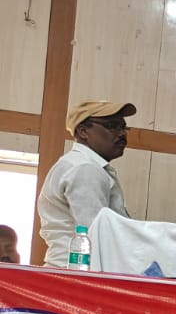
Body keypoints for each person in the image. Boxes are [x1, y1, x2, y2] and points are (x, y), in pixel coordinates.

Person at [36, 100, 136, 267]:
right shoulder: (85, 169)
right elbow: (97, 234)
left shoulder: (78, 164)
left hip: (71, 270)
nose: (122, 133)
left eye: (123, 127)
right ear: (83, 131)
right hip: (77, 272)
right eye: (112, 126)